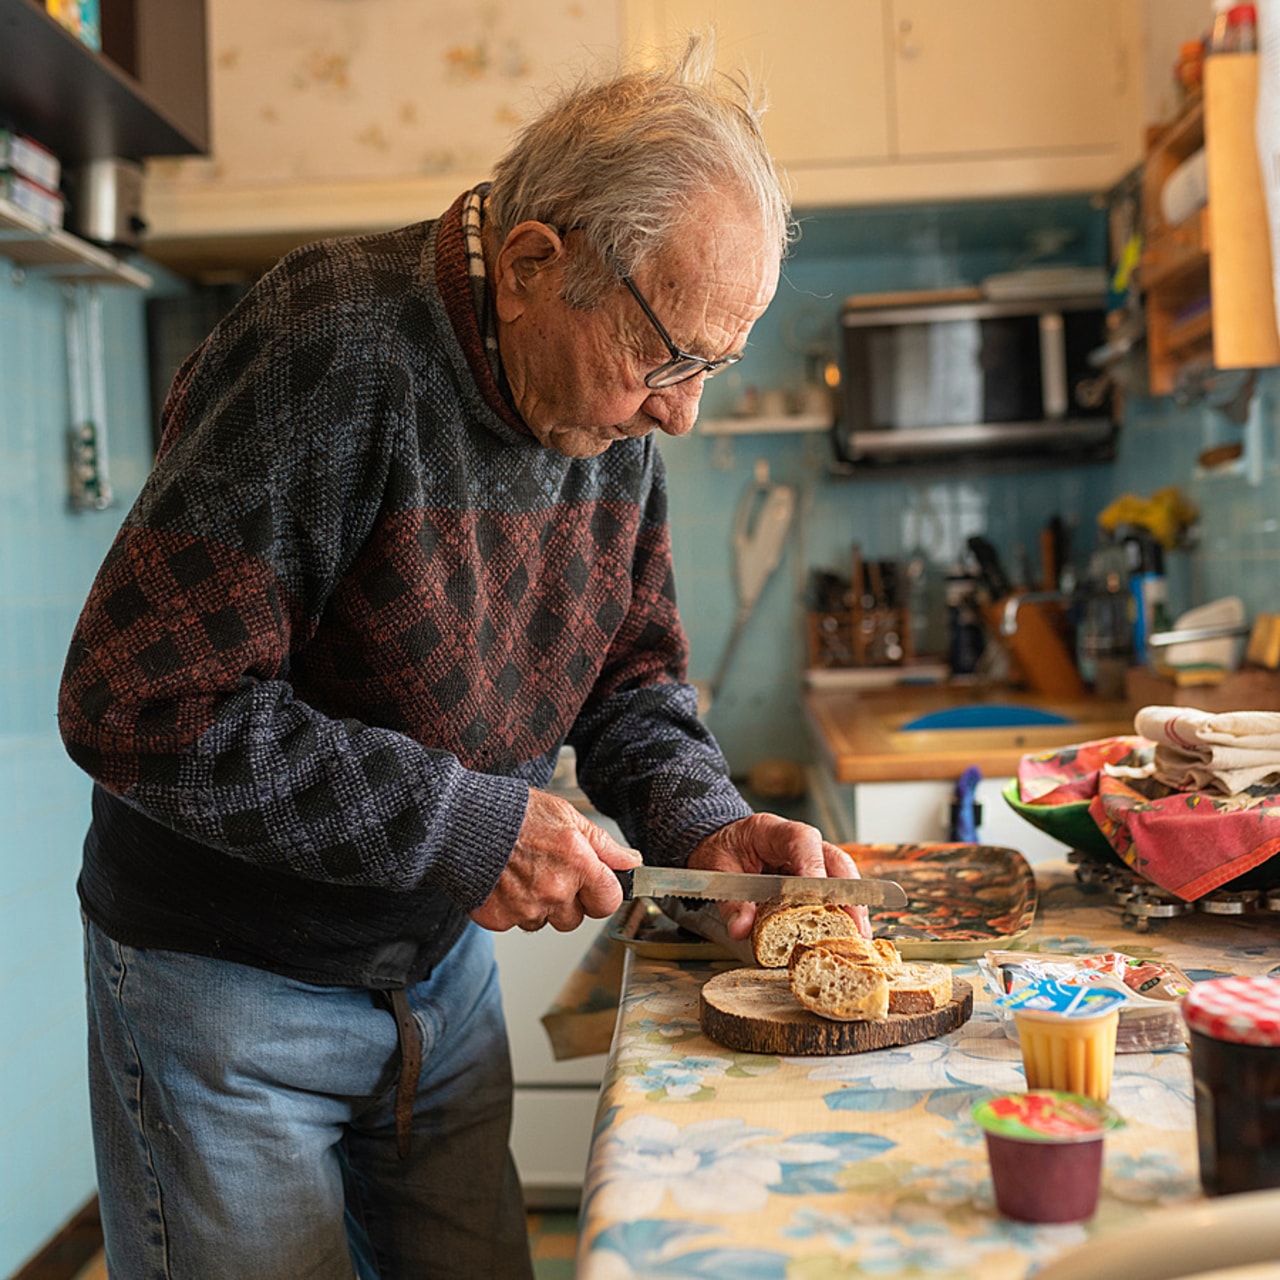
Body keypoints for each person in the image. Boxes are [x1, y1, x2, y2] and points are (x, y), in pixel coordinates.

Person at [57, 32, 868, 1280]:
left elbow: (627, 675)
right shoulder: (329, 350)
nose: (680, 410)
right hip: (228, 989)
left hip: (434, 974)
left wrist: (703, 827)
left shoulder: (611, 412)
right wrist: (465, 825)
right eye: (666, 358)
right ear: (535, 263)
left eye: (714, 363)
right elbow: (138, 700)